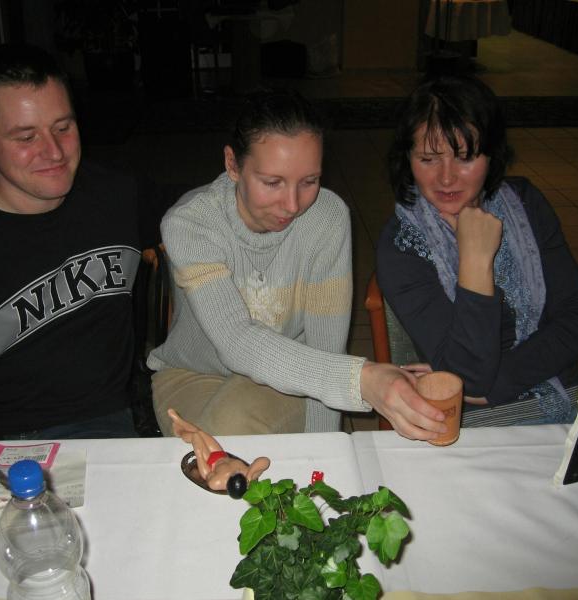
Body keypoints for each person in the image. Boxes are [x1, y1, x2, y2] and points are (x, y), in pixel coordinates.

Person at [148, 88, 447, 440]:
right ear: (232, 164)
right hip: (190, 375)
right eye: (272, 182)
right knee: (211, 454)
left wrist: (325, 451)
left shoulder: (327, 218)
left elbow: (325, 350)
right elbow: (236, 340)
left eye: (310, 181)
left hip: (294, 371)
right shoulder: (191, 223)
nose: (292, 205)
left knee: (227, 436)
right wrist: (362, 380)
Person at [0, 43, 158, 440]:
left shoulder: (117, 195)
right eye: (25, 137)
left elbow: (212, 211)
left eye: (63, 128)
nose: (53, 152)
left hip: (103, 418)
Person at [377, 74, 578, 427]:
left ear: (492, 155)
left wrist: (499, 383)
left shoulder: (525, 203)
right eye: (428, 159)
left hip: (558, 394)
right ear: (408, 158)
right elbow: (467, 376)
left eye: (465, 157)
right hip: (467, 418)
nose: (446, 178)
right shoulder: (403, 245)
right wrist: (476, 261)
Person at [168, 408, 270, 498]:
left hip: (209, 462)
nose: (235, 471)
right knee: (200, 433)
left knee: (196, 436)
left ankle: (180, 432)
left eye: (233, 475)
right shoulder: (247, 474)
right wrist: (250, 475)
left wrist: (199, 455)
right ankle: (180, 422)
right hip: (221, 454)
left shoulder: (218, 482)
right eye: (238, 473)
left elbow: (207, 475)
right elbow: (265, 461)